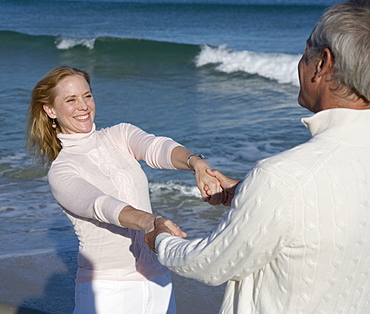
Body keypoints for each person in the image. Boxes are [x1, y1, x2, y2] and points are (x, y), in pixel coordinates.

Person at [145, 1, 370, 313]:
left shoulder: (281, 178)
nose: (301, 64)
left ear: (323, 64)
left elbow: (211, 263)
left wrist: (161, 240)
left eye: (307, 54)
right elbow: (336, 208)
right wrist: (248, 193)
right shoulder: (287, 182)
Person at [26, 65, 220, 313]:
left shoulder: (120, 134)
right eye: (71, 100)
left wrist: (197, 164)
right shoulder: (62, 171)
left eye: (87, 95)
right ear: (50, 110)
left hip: (158, 280)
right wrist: (153, 223)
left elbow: (156, 148)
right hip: (107, 291)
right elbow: (102, 205)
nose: (84, 106)